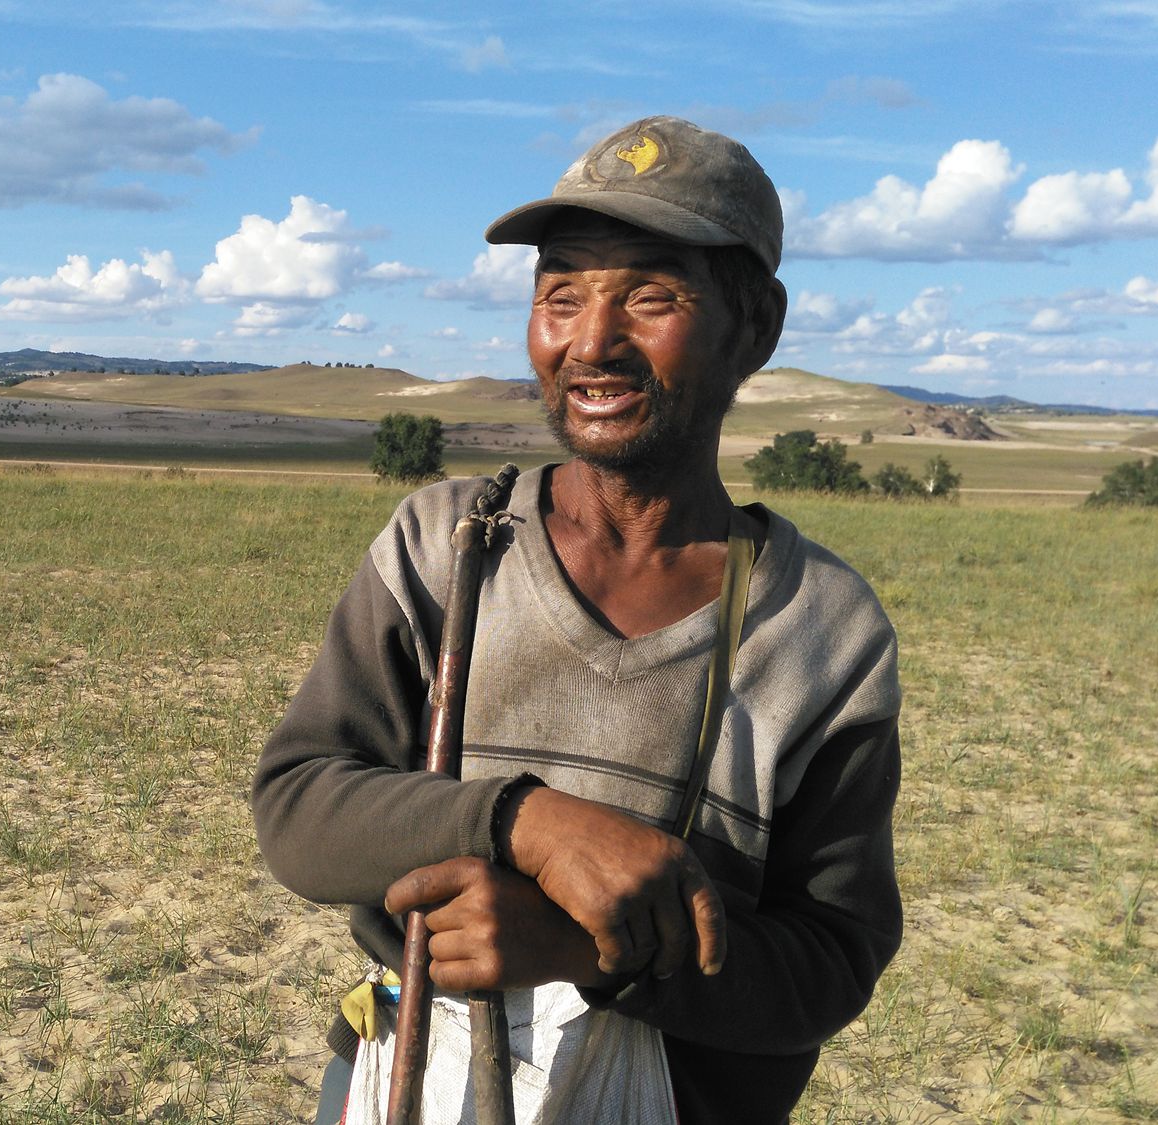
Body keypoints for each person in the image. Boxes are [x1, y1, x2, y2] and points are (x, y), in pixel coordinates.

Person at [252, 116, 902, 1124]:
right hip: (409, 1074)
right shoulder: (444, 545)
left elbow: (831, 961)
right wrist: (523, 822)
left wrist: (591, 949)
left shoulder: (819, 628)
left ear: (755, 327)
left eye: (650, 295)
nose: (590, 341)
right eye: (560, 293)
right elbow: (298, 806)